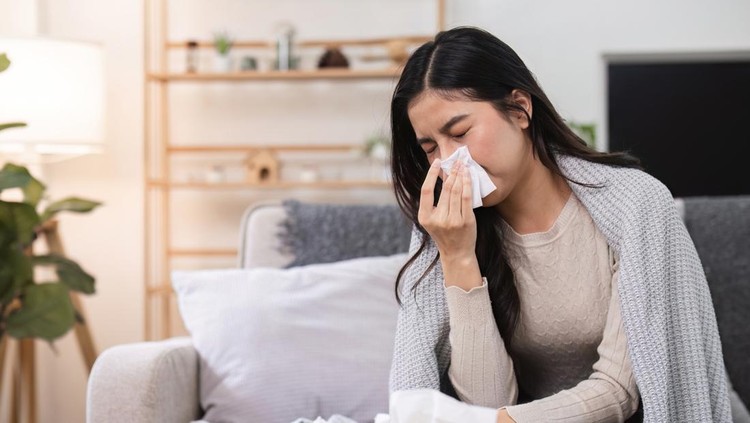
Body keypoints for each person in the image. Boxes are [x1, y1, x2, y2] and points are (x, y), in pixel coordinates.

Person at [388, 27, 731, 422]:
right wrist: (458, 256)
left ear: (519, 109)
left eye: (460, 133)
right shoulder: (446, 229)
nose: (449, 163)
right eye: (430, 148)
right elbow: (483, 404)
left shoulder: (635, 205)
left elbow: (619, 392)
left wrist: (502, 422)